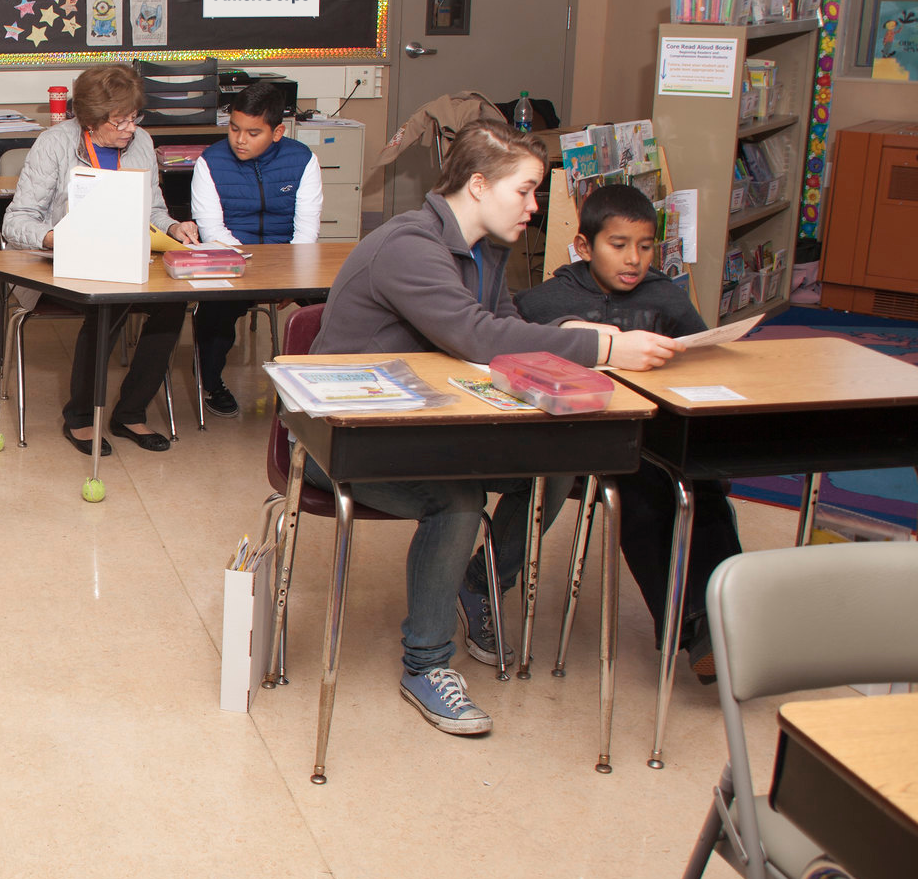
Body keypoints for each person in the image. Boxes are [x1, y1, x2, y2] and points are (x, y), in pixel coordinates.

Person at [306, 120, 685, 737]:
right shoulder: (411, 244)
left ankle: (481, 585)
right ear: (479, 185)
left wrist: (562, 339)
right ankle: (426, 665)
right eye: (527, 191)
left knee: (558, 459)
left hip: (426, 426)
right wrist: (604, 347)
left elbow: (498, 326)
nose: (536, 209)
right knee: (455, 500)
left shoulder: (489, 244)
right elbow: (477, 337)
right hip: (342, 435)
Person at [517, 183, 739, 681]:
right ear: (584, 246)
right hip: (582, 440)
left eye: (644, 246)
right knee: (638, 492)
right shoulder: (546, 298)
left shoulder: (666, 296)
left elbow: (701, 354)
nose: (633, 259)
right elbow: (514, 341)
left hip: (656, 432)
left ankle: (724, 622)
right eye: (618, 245)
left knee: (700, 483)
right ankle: (688, 626)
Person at [0, 64, 200, 454]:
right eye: (118, 121)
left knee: (173, 301)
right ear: (88, 120)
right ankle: (80, 417)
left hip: (127, 256)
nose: (129, 129)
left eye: (133, 117)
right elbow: (16, 220)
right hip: (58, 261)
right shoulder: (54, 143)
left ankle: (130, 412)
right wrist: (59, 238)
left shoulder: (140, 140)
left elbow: (153, 209)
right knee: (112, 298)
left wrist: (174, 228)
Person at [190, 82, 322, 417]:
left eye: (252, 132)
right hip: (234, 261)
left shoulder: (303, 160)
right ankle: (211, 381)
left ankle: (322, 382)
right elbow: (213, 232)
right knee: (214, 312)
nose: (239, 140)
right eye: (234, 128)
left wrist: (289, 278)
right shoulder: (210, 162)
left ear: (277, 132)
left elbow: (306, 231)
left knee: (338, 302)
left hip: (289, 261)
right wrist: (256, 275)